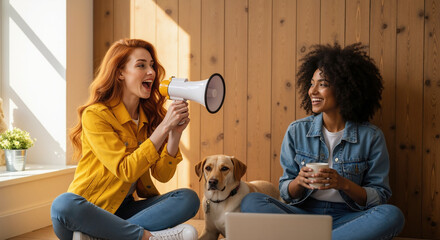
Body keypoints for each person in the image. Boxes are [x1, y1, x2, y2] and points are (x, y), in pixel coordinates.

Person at [240, 43, 405, 240]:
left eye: (323, 84)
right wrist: (299, 182)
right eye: (311, 83)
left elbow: (379, 196)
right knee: (252, 201)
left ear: (345, 89)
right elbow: (285, 191)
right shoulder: (297, 131)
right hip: (303, 216)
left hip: (349, 218)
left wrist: (343, 184)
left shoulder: (371, 136)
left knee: (392, 215)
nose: (312, 91)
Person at [51, 39, 200, 240]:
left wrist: (175, 134)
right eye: (141, 65)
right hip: (87, 212)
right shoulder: (96, 115)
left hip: (125, 210)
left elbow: (162, 174)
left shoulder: (149, 118)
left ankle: (104, 236)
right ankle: (147, 237)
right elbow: (125, 170)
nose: (151, 72)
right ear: (120, 72)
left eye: (152, 66)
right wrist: (165, 126)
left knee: (187, 199)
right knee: (63, 204)